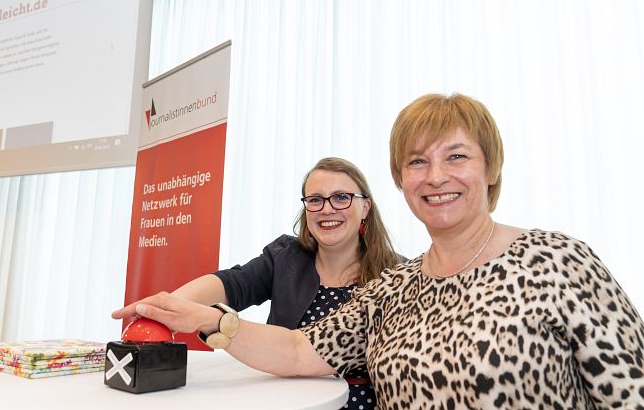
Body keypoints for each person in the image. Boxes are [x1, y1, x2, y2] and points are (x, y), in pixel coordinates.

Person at [113, 94, 644, 409]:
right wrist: (203, 319)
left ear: (491, 168)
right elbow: (300, 351)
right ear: (399, 179)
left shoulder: (560, 262)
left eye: (456, 156)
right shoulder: (395, 289)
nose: (435, 176)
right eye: (416, 162)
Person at [168, 157, 401, 410]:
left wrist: (209, 320)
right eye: (315, 200)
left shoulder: (398, 277)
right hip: (285, 402)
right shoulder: (285, 257)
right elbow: (232, 284)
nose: (326, 209)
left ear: (365, 207)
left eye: (341, 197)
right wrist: (168, 306)